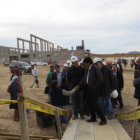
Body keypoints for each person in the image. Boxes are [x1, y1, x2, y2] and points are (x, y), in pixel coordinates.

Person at [79, 57, 107, 125]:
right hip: (88, 89)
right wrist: (79, 84)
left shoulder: (95, 68)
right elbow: (84, 78)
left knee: (95, 105)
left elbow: (100, 79)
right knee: (90, 104)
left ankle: (103, 119)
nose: (84, 65)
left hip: (94, 89)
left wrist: (95, 86)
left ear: (88, 63)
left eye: (85, 63)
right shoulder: (87, 69)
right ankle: (93, 118)